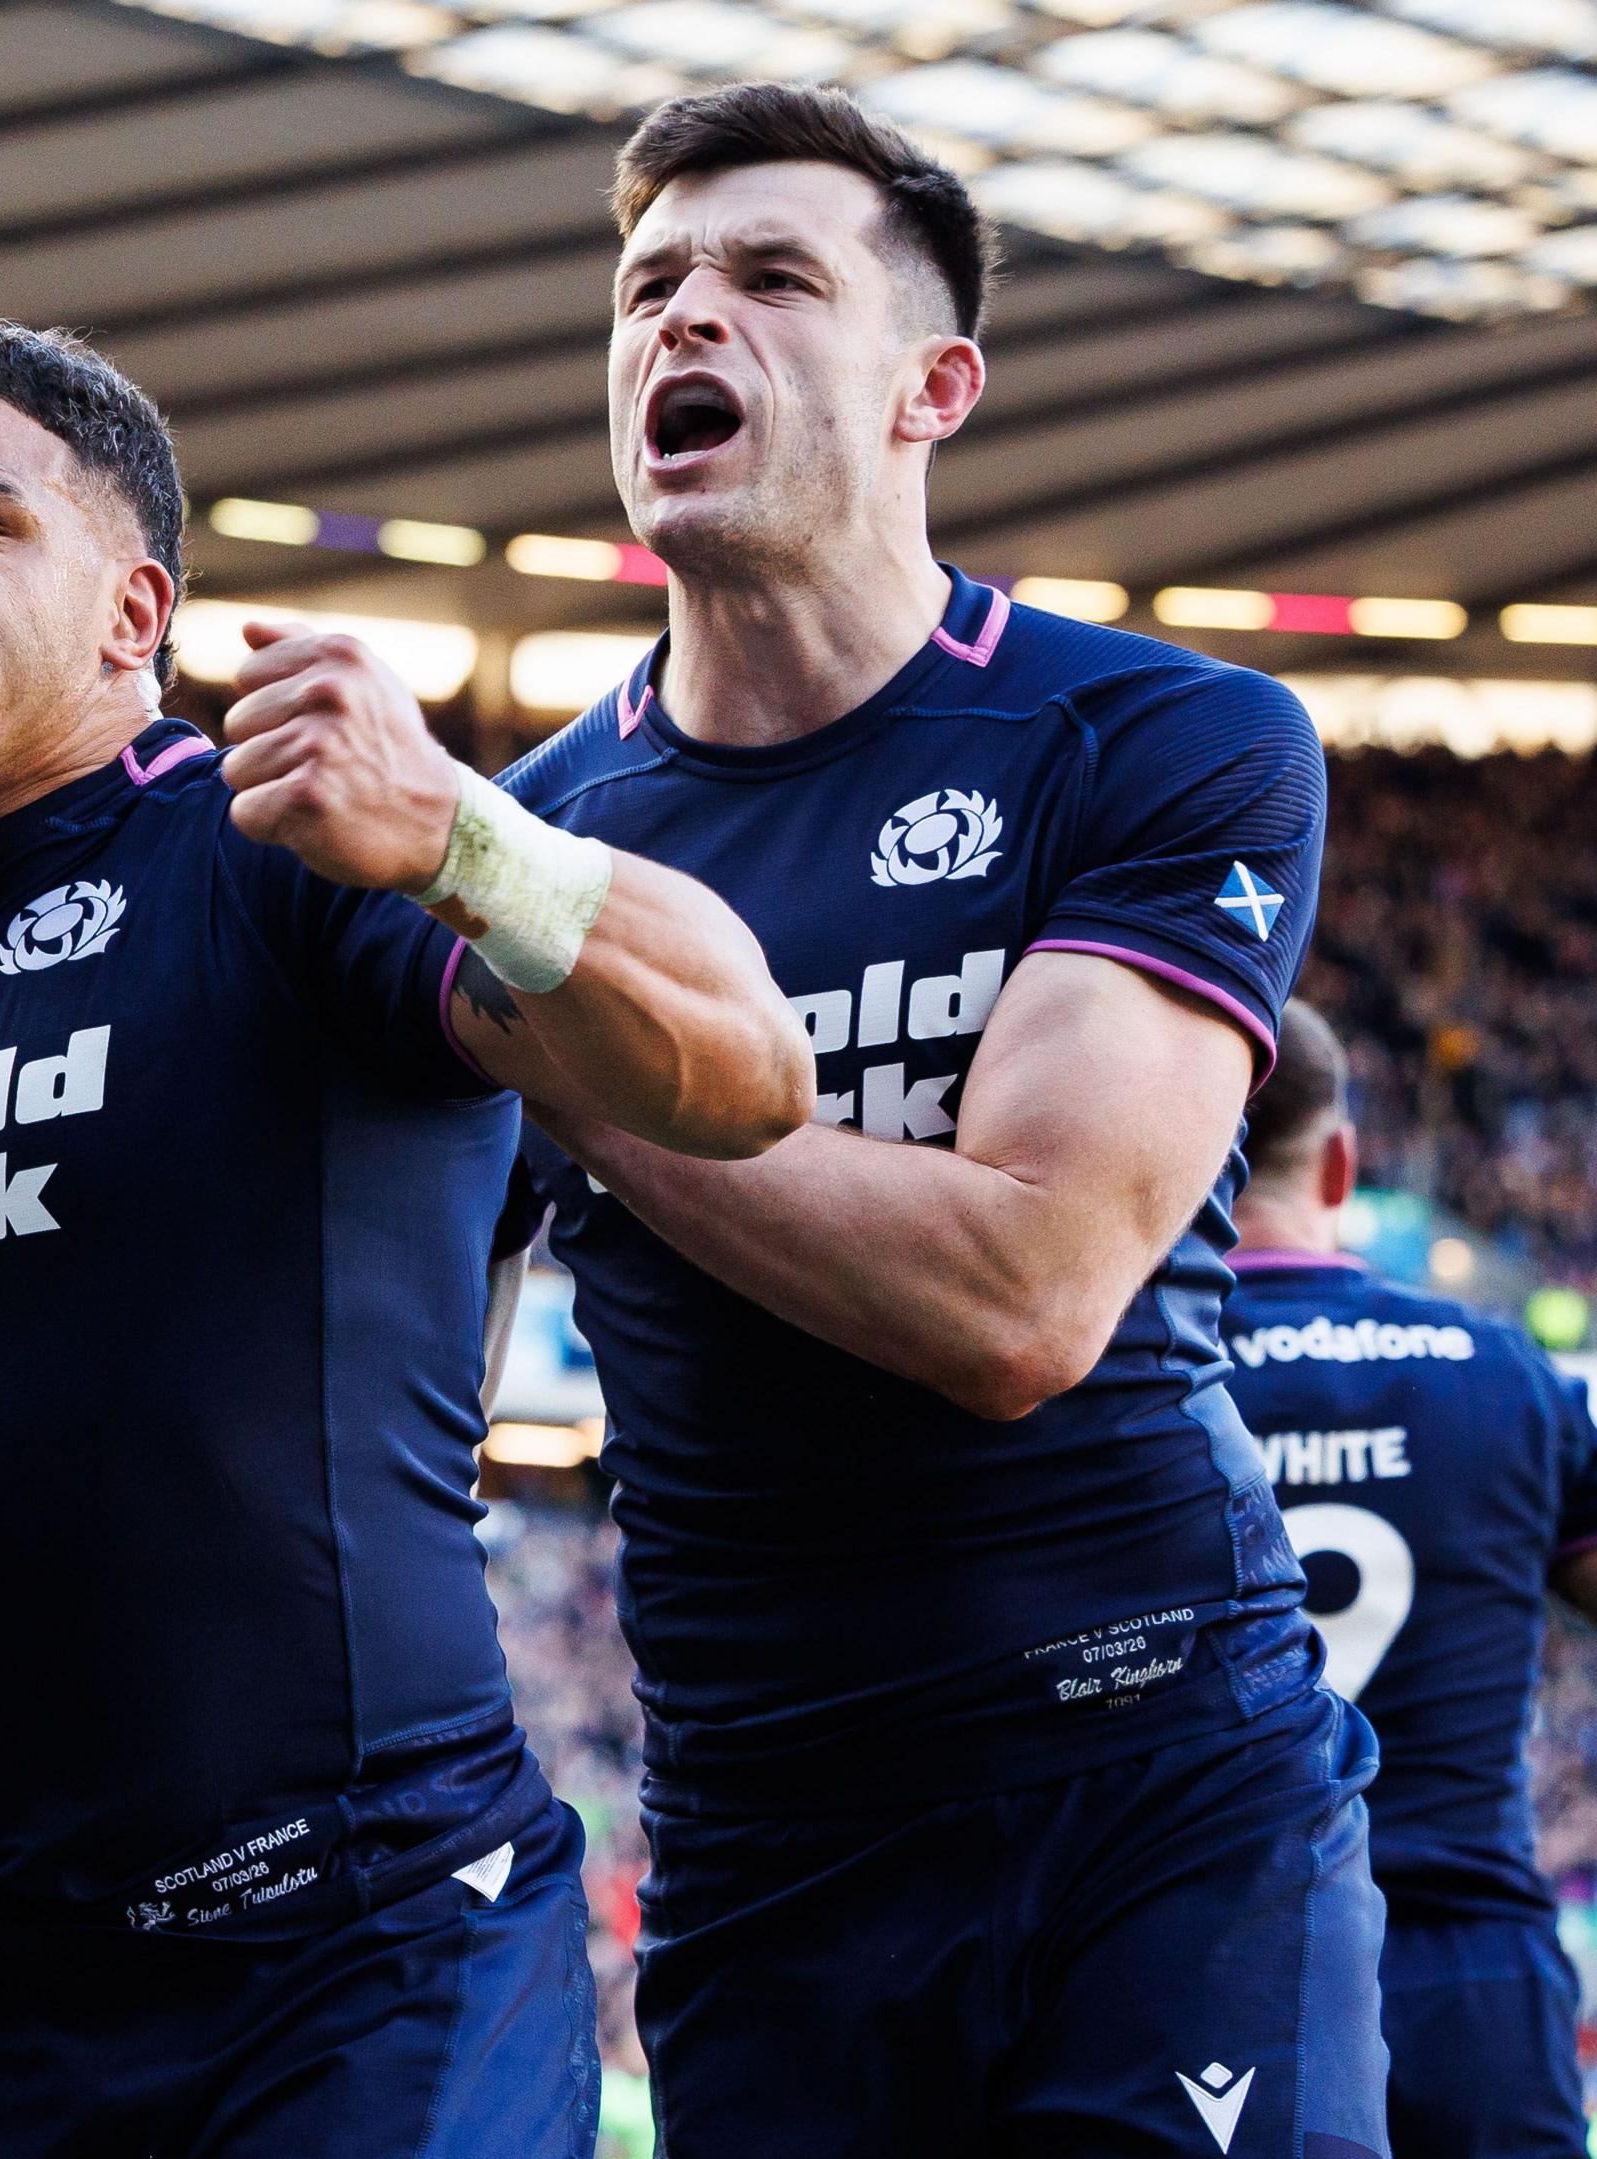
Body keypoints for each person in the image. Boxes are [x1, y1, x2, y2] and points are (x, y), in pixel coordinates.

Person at [0, 319, 812, 2159]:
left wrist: (460, 839)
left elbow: (746, 1067)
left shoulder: (284, 856)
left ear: (132, 613)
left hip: (361, 1949)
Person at [499, 83, 1375, 2156]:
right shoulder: (536, 838)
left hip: (1159, 1780)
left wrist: (561, 1024)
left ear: (933, 384)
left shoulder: (1160, 736)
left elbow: (1024, 1293)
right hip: (764, 1828)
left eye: (770, 277)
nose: (684, 321)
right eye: (650, 288)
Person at [1223, 1003, 1597, 2159]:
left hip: (1218, 1971)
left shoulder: (1115, 1377)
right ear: (1339, 1159)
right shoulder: (1501, 1370)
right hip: (1468, 1978)